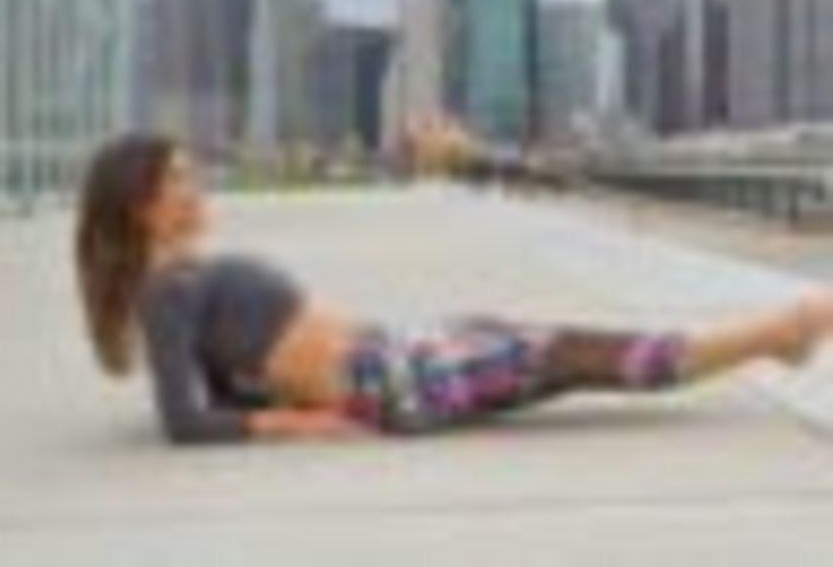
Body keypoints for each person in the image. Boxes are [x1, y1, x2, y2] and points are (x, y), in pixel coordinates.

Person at [74, 132, 833, 446]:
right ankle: (782, 330)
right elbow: (184, 419)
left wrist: (276, 397)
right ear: (142, 203)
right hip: (396, 377)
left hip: (401, 356)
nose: (196, 186)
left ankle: (779, 336)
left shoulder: (181, 280)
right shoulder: (166, 292)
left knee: (574, 350)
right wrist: (296, 421)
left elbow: (217, 391)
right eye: (178, 179)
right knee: (587, 356)